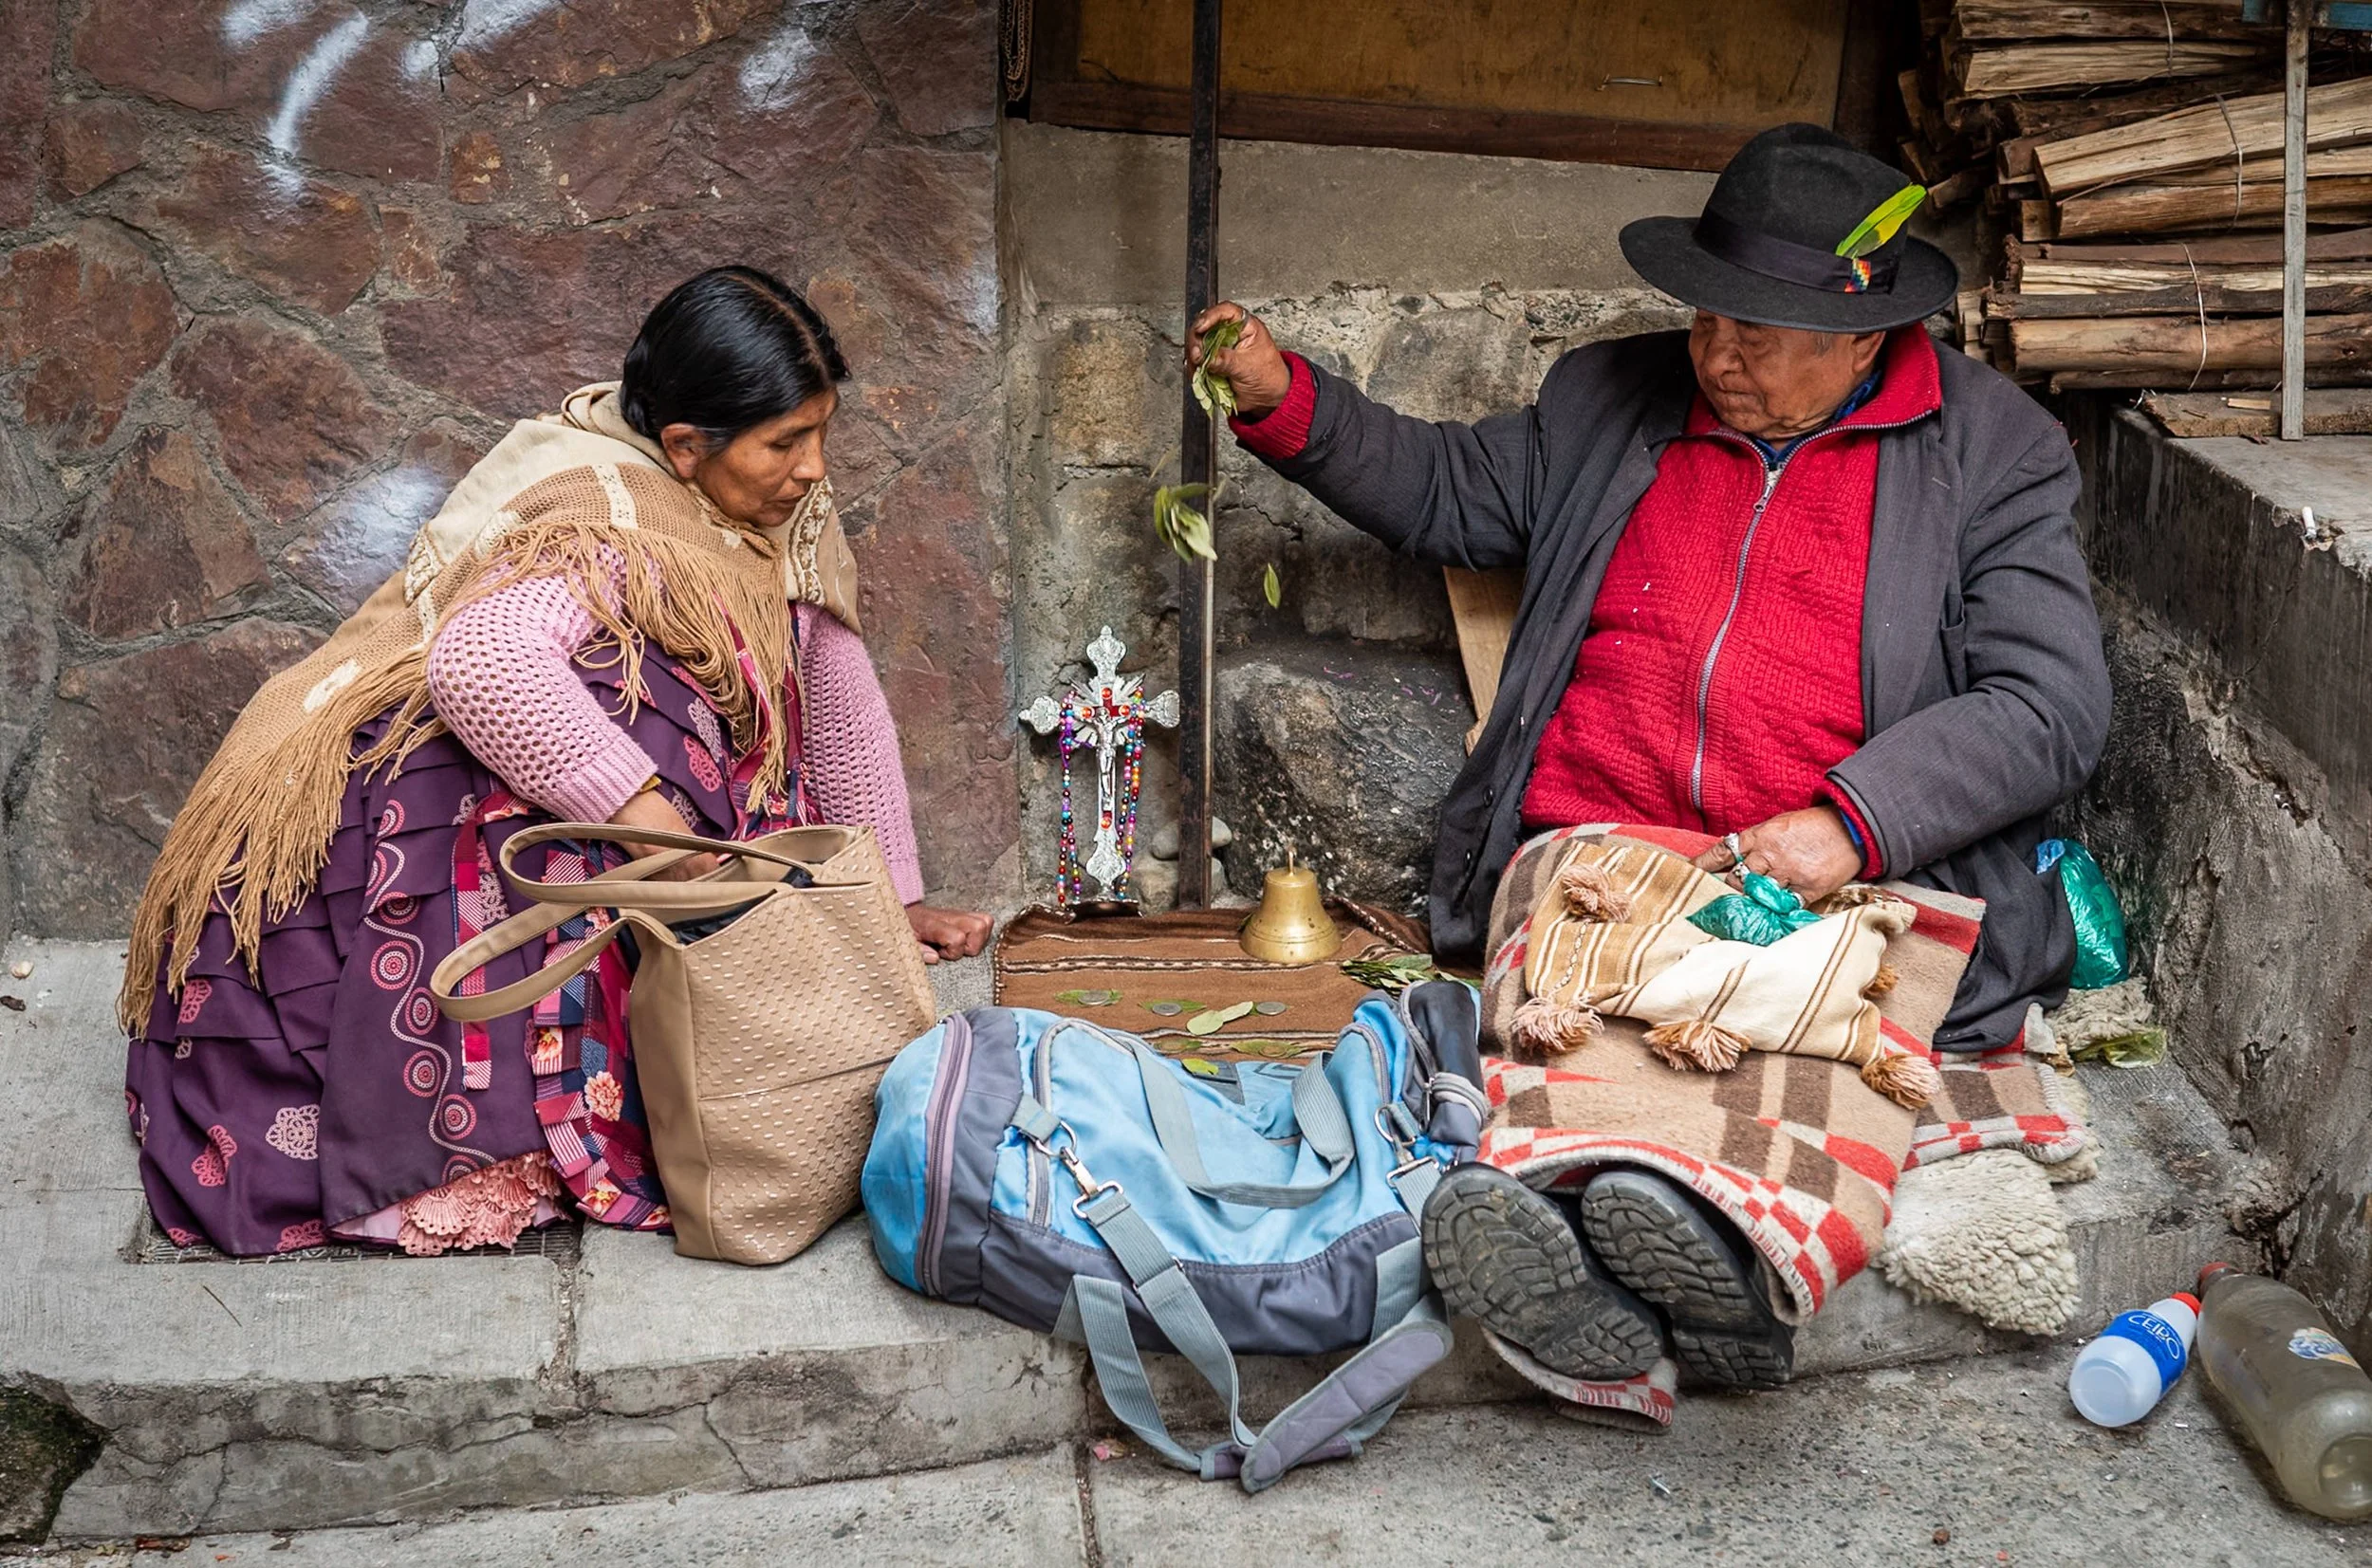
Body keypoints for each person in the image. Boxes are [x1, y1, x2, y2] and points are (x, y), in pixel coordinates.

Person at [1190, 125, 2111, 1388]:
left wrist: (1849, 821)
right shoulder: (1608, 402)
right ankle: (1695, 1273)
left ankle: (1620, 1251)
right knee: (1581, 996)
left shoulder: (1992, 454)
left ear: (1862, 338)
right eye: (1705, 318)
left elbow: (2048, 701)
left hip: (1828, 878)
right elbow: (1451, 488)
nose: (1714, 353)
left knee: (1808, 1021)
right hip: (1596, 849)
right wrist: (1284, 398)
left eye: (1758, 332)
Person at [123, 267, 991, 1258]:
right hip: (427, 808)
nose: (811, 469)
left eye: (821, 432)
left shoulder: (771, 517)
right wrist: (650, 816)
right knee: (627, 706)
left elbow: (832, 697)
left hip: (596, 808)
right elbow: (483, 666)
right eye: (786, 442)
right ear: (683, 447)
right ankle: (493, 1134)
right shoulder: (604, 509)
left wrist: (894, 897)